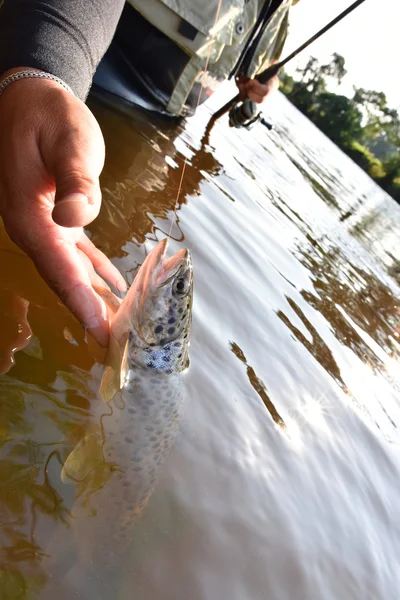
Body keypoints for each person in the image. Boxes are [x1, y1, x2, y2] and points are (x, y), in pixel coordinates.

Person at [0, 0, 299, 347]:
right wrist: (41, 71)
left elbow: (257, 81)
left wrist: (262, 89)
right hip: (84, 82)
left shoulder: (281, 19)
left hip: (160, 128)